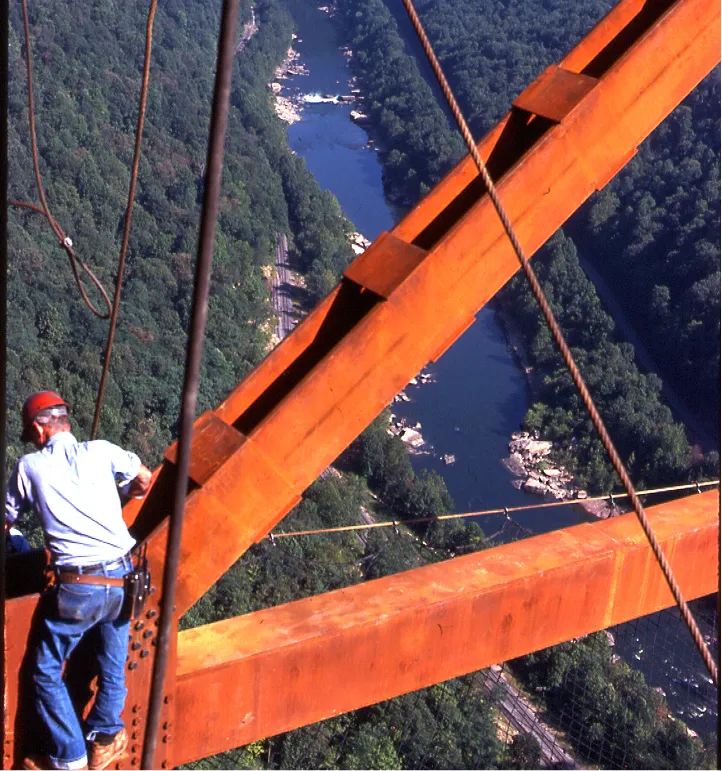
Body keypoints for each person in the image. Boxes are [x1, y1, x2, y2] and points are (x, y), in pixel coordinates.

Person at [5, 391, 152, 771]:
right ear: (65, 421)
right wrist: (121, 494)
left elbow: (4, 522)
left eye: (32, 433)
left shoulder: (29, 467)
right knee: (113, 657)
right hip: (123, 575)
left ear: (39, 428)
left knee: (45, 670)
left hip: (78, 587)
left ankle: (70, 758)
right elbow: (144, 479)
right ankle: (105, 737)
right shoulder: (101, 451)